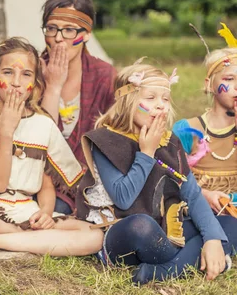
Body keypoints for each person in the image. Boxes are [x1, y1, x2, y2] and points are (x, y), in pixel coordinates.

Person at [0, 37, 103, 260]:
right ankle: (14, 235)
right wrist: (6, 132)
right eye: (7, 72)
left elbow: (46, 184)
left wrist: (44, 212)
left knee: (94, 236)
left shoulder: (44, 125)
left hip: (24, 208)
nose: (16, 82)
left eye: (26, 75)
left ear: (35, 82)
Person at [75, 62, 237, 284]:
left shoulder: (170, 142)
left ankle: (162, 271)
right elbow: (123, 199)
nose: (160, 105)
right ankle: (189, 260)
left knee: (229, 225)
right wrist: (147, 152)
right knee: (141, 225)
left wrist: (213, 240)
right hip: (123, 231)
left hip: (165, 228)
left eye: (165, 99)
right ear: (127, 102)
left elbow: (193, 195)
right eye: (150, 98)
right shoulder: (105, 140)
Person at [39, 0, 117, 214]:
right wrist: (52, 86)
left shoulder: (103, 74)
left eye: (69, 30)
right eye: (52, 28)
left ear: (85, 35)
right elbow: (38, 142)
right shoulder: (30, 71)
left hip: (85, 179)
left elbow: (114, 139)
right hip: (34, 175)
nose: (59, 38)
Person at [174, 24, 237, 215]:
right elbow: (170, 180)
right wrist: (204, 194)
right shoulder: (187, 129)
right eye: (229, 79)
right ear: (209, 85)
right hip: (199, 215)